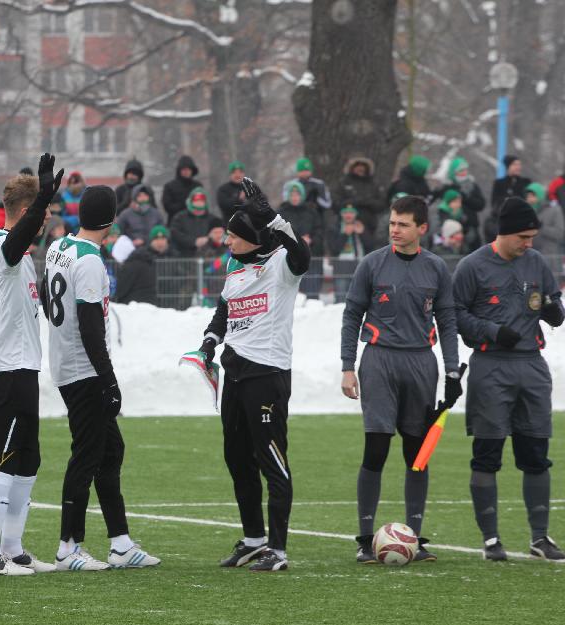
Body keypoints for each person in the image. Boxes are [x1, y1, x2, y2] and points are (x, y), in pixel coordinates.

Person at [43, 185, 161, 571]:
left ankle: (121, 543)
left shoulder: (59, 246)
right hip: (84, 371)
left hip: (67, 364)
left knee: (111, 452)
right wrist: (108, 379)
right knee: (87, 455)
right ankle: (67, 547)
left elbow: (47, 298)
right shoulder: (91, 261)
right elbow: (92, 327)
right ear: (111, 221)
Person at [196, 178, 310, 572]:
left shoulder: (282, 265)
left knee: (272, 460)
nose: (227, 242)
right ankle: (253, 538)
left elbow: (303, 254)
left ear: (251, 237)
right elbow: (224, 311)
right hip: (236, 375)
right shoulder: (235, 269)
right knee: (237, 458)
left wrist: (274, 217)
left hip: (268, 376)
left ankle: (277, 549)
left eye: (233, 236)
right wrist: (210, 341)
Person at [339, 195, 460, 563]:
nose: (395, 229)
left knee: (417, 455)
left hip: (422, 365)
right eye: (392, 222)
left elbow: (448, 320)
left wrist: (453, 370)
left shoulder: (436, 268)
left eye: (403, 224)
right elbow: (352, 315)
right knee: (375, 449)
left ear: (422, 228)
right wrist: (348, 365)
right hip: (379, 363)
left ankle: (416, 537)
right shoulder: (372, 264)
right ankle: (364, 538)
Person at [453, 197, 565, 562]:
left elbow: (553, 306)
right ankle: (491, 540)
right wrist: (490, 330)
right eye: (523, 236)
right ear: (504, 233)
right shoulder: (472, 267)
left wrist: (554, 310)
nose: (530, 243)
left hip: (532, 367)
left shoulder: (537, 263)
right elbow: (455, 313)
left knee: (536, 454)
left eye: (532, 236)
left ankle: (540, 538)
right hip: (491, 366)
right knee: (487, 453)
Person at [0, 154, 63, 577]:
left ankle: (12, 547)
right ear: (28, 213)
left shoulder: (23, 258)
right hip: (2, 371)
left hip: (23, 367)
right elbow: (15, 238)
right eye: (41, 216)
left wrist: (43, 199)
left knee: (29, 459)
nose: (43, 226)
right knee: (3, 459)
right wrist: (44, 197)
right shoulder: (0, 249)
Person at [432, 157, 485, 251]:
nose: (464, 173)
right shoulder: (446, 187)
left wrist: (466, 198)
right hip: (450, 229)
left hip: (469, 227)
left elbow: (480, 204)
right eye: (461, 170)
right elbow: (438, 205)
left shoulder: (472, 186)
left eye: (465, 170)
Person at [115, 225, 174, 306]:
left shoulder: (174, 257)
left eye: (163, 239)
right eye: (156, 239)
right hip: (141, 305)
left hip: (167, 304)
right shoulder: (139, 257)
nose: (160, 242)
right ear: (151, 241)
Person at [333, 157, 385, 242]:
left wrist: (366, 202)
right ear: (352, 167)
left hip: (369, 224)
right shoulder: (344, 182)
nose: (360, 168)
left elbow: (381, 204)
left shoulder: (374, 183)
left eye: (363, 165)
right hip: (345, 224)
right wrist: (353, 202)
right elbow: (336, 203)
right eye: (357, 165)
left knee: (369, 248)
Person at [169, 188, 220, 258]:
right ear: (190, 201)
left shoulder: (214, 219)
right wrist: (194, 241)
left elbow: (220, 237)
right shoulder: (179, 217)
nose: (199, 202)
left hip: (207, 258)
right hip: (184, 258)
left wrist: (209, 239)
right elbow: (175, 234)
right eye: (196, 200)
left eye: (201, 200)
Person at [526, 183, 565, 258]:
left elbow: (560, 234)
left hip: (549, 258)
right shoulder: (526, 212)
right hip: (531, 257)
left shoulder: (555, 210)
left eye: (533, 196)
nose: (530, 199)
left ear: (540, 196)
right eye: (528, 196)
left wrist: (542, 226)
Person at [161, 155, 202, 223]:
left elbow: (203, 204)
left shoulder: (197, 186)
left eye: (189, 169)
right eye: (184, 169)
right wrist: (185, 205)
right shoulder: (169, 186)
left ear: (192, 171)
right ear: (179, 170)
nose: (186, 172)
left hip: (195, 221)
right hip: (176, 222)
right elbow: (167, 206)